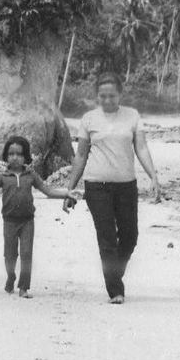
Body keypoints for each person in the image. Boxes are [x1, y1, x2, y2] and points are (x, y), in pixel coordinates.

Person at [64, 72, 161, 304]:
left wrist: (153, 177)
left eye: (112, 96)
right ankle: (116, 290)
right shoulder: (88, 119)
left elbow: (142, 149)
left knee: (130, 236)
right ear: (97, 95)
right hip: (97, 187)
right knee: (107, 238)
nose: (107, 101)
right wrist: (70, 188)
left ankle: (114, 273)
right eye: (102, 96)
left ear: (120, 94)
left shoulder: (132, 116)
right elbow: (81, 155)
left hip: (127, 185)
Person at [0, 135, 74, 297]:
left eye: (19, 154)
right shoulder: (1, 176)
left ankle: (24, 288)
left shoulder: (31, 175)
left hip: (27, 221)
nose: (15, 157)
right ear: (6, 156)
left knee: (26, 253)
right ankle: (10, 277)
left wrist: (68, 193)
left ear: (26, 156)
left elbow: (48, 191)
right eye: (11, 154)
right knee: (10, 255)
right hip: (9, 221)